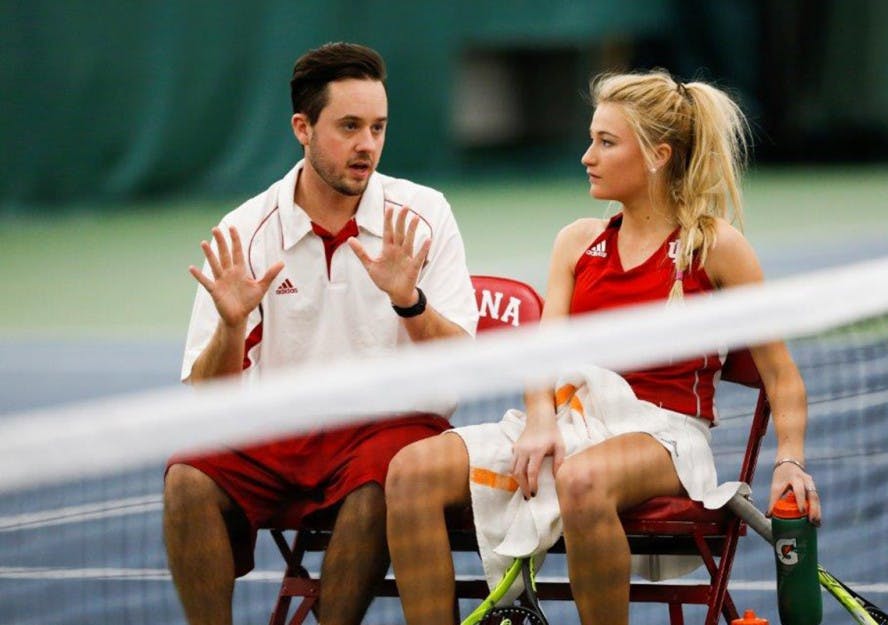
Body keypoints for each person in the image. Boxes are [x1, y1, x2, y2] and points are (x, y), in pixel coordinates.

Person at [384, 69, 822, 625]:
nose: (587, 156)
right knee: (410, 470)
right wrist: (541, 419)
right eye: (592, 139)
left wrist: (790, 461)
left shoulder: (715, 247)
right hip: (571, 419)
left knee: (582, 478)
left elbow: (781, 377)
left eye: (606, 142)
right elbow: (542, 358)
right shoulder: (577, 242)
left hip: (664, 434)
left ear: (658, 155)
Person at [162, 42, 478, 625]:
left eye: (378, 127)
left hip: (389, 427)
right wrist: (232, 327)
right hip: (280, 429)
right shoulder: (246, 230)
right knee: (186, 478)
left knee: (380, 484)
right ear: (302, 128)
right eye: (350, 126)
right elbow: (208, 398)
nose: (368, 145)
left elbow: (464, 365)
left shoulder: (425, 215)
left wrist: (410, 302)